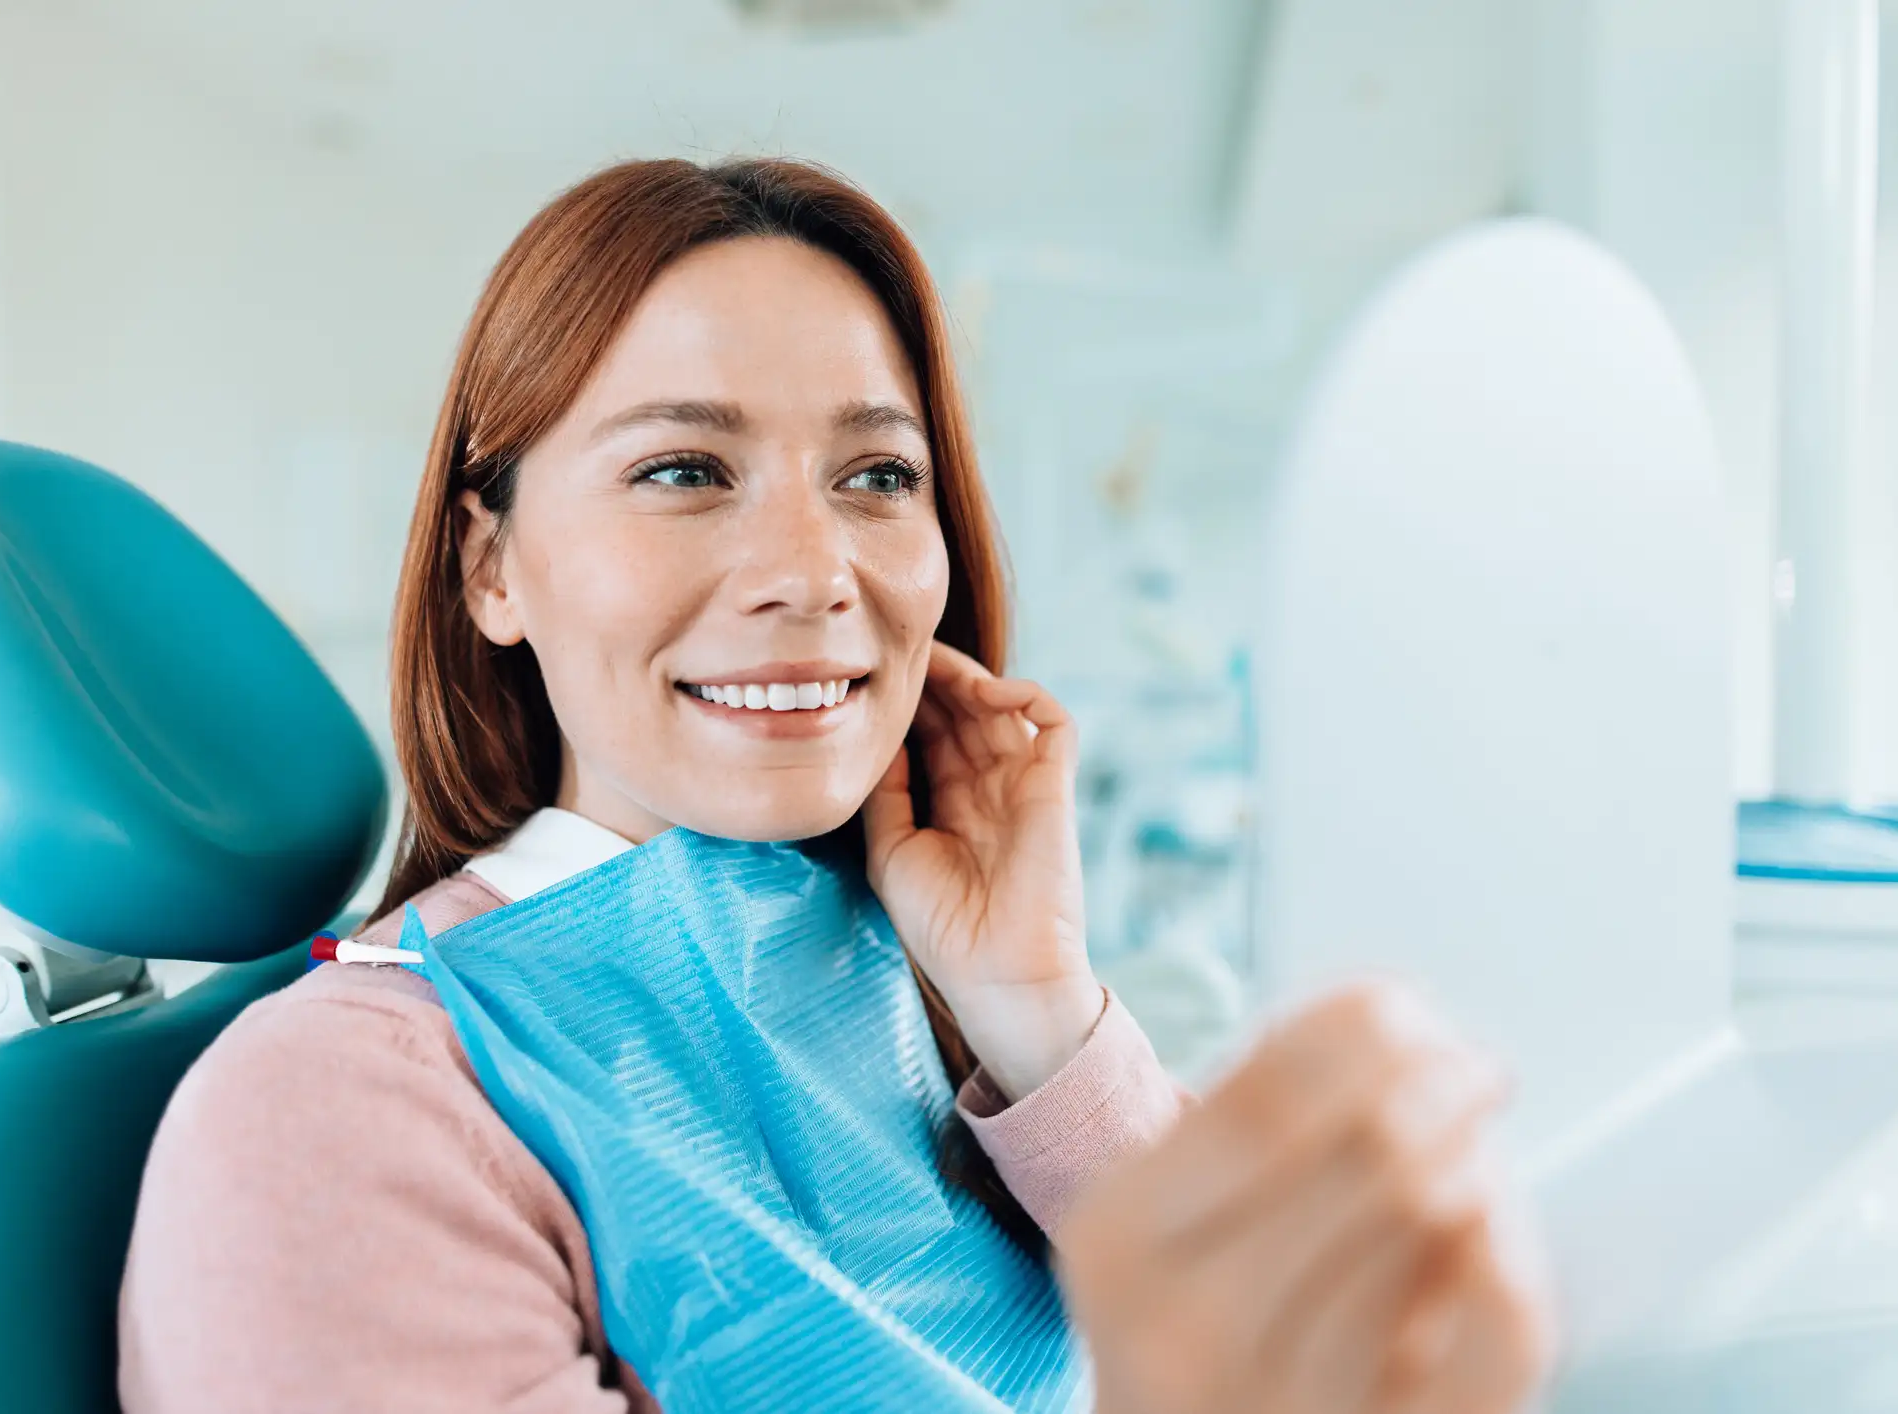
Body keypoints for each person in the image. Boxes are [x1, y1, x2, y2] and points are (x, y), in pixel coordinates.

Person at [117, 157, 1553, 1412]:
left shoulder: (930, 1002)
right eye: (684, 469)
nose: (815, 572)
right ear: (492, 563)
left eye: (876, 474)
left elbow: (1264, 1327)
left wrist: (1040, 1008)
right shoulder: (337, 1115)